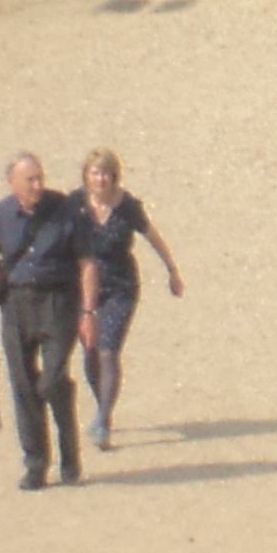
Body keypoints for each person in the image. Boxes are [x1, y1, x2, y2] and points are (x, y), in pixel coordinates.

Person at [0, 151, 99, 489]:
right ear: (12, 182)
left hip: (59, 302)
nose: (38, 185)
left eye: (40, 178)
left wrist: (87, 313)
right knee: (24, 386)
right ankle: (36, 464)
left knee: (53, 380)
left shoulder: (66, 210)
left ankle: (70, 457)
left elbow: (87, 263)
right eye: (30, 180)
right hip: (16, 305)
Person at [73, 148, 182, 452]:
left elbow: (153, 236)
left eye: (106, 173)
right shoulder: (75, 204)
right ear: (86, 175)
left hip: (120, 285)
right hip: (82, 288)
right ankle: (102, 404)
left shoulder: (127, 206)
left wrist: (172, 271)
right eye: (95, 173)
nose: (101, 179)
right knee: (91, 351)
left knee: (108, 351)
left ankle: (104, 420)